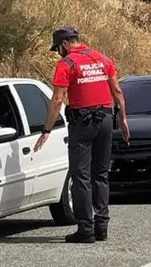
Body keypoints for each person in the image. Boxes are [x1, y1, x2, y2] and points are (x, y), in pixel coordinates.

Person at [34, 26, 129, 244]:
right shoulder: (103, 59)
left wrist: (47, 129)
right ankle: (102, 227)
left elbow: (57, 99)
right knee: (101, 174)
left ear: (65, 43)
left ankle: (86, 229)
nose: (58, 52)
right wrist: (123, 120)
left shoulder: (66, 64)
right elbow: (117, 92)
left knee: (81, 177)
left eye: (58, 48)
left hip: (82, 123)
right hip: (105, 119)